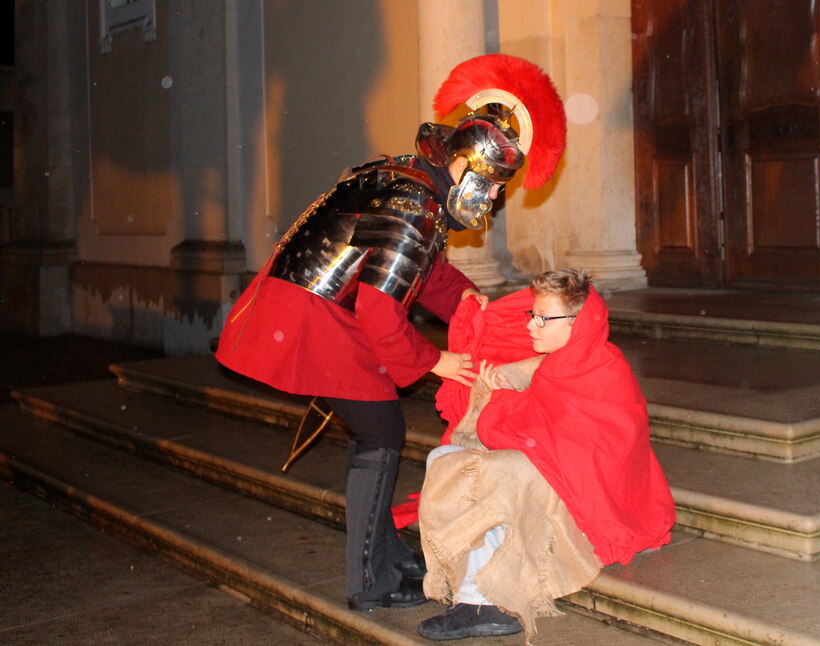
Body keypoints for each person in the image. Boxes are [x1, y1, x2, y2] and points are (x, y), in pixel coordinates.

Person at [214, 54, 566, 612]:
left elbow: (418, 270)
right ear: (470, 173)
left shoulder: (415, 181)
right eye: (494, 187)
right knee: (381, 432)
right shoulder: (417, 208)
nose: (495, 200)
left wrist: (467, 303)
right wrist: (436, 361)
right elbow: (381, 311)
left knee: (376, 429)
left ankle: (385, 556)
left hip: (312, 304)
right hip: (312, 312)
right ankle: (367, 580)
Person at [414, 269, 676, 641]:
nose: (532, 327)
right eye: (531, 315)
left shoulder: (601, 369)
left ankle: (489, 603)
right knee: (443, 456)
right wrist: (503, 393)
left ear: (578, 323)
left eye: (542, 318)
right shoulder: (564, 362)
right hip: (565, 474)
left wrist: (500, 398)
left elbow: (576, 449)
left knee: (491, 473)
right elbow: (539, 432)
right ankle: (464, 576)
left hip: (589, 497)